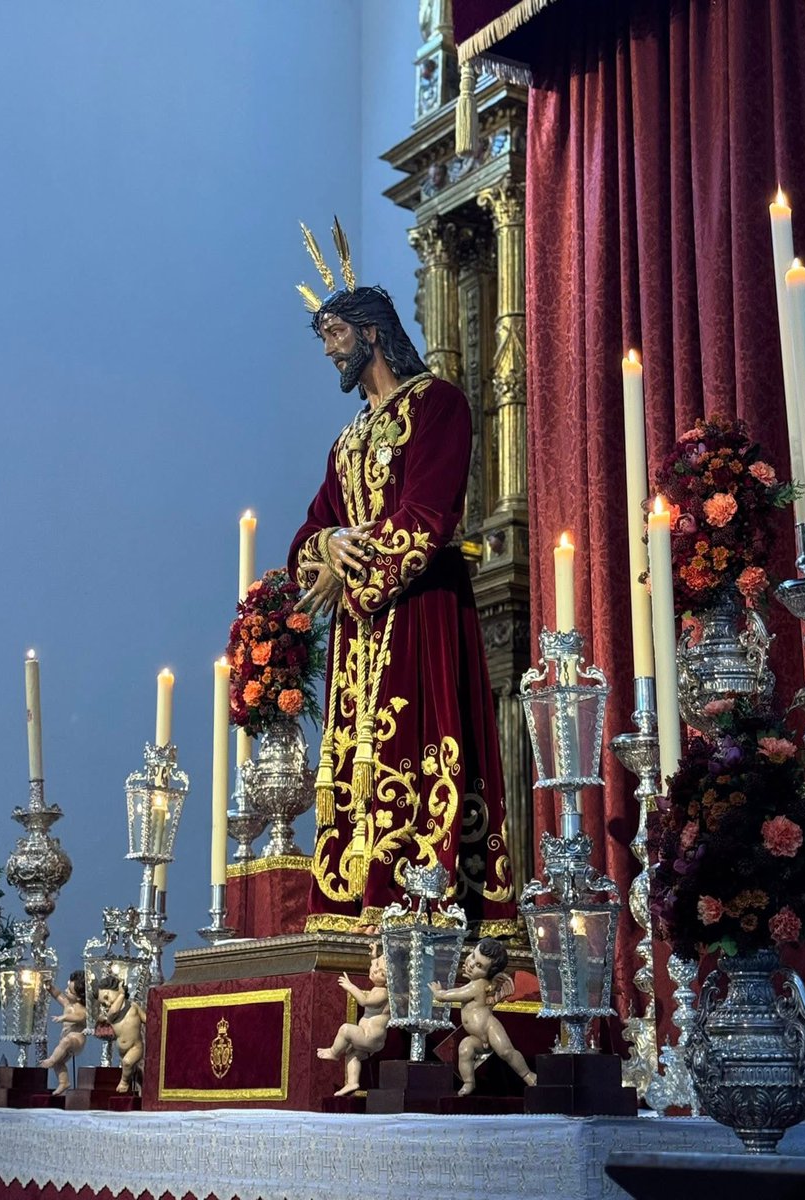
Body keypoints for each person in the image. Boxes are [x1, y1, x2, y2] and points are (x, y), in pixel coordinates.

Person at [289, 221, 517, 935]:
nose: (328, 350)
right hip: (361, 635)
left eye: (334, 335)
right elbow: (308, 532)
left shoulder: (439, 405)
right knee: (356, 760)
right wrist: (329, 543)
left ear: (370, 333)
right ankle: (355, 899)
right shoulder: (348, 440)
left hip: (421, 613)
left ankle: (426, 903)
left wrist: (349, 568)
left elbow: (428, 512)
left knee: (419, 749)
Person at [429, 937, 536, 1096]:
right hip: (476, 1036)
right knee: (465, 1048)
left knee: (506, 1052)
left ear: (488, 973)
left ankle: (529, 1075)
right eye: (472, 956)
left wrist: (440, 994)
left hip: (489, 1027)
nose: (471, 963)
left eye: (479, 965)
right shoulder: (476, 983)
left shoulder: (478, 985)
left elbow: (457, 994)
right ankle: (469, 1082)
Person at [316, 943, 390, 1095]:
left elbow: (364, 1001)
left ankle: (334, 1053)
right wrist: (374, 956)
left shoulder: (383, 993)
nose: (375, 970)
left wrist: (350, 986)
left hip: (370, 1037)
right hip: (369, 1036)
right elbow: (375, 963)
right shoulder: (379, 987)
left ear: (390, 981)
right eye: (375, 967)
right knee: (352, 1054)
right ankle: (352, 1083)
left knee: (345, 1029)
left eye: (381, 973)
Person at [96, 974, 146, 1093]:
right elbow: (113, 1011)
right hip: (122, 1049)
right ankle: (144, 1086)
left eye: (107, 998)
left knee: (127, 1063)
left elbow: (146, 1019)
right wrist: (121, 995)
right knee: (132, 1069)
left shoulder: (133, 1007)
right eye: (103, 1003)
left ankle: (124, 1082)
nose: (107, 1004)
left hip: (136, 1046)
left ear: (118, 990)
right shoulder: (111, 1015)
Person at [40, 970, 87, 1095]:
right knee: (59, 1061)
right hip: (65, 1041)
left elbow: (80, 1017)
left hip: (76, 1041)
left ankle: (51, 1061)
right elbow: (58, 995)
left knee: (65, 1043)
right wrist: (50, 987)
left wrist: (64, 1017)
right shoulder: (67, 1003)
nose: (66, 990)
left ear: (78, 997)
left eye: (70, 990)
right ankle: (64, 1082)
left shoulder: (82, 1009)